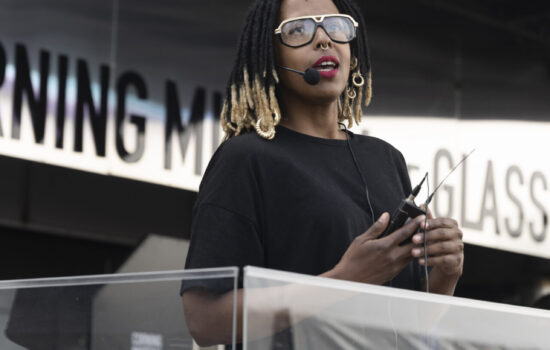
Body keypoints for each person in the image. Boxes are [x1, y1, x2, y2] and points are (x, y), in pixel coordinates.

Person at [181, 0, 464, 347]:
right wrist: (345, 279)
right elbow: (205, 320)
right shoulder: (245, 159)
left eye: (337, 26)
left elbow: (408, 325)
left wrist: (447, 272)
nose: (324, 40)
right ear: (270, 57)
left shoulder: (386, 160)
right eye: (298, 30)